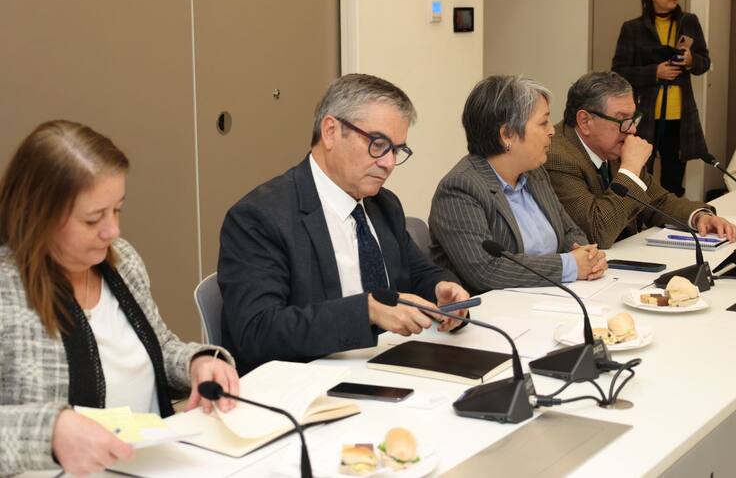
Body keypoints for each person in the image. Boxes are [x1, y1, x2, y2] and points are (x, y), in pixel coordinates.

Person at [0, 121, 239, 477]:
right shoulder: (7, 291)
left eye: (117, 210)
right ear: (38, 215)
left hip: (157, 465)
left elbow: (160, 346)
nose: (113, 231)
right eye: (93, 219)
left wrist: (197, 363)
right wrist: (51, 432)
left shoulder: (122, 261)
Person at [218, 73, 470, 374]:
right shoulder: (260, 217)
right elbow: (258, 331)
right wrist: (366, 311)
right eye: (378, 144)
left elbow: (417, 273)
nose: (389, 163)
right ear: (330, 132)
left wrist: (444, 288)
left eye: (396, 150)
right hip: (307, 381)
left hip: (386, 369)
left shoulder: (383, 205)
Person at [428, 75, 607, 294]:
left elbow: (569, 230)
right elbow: (487, 270)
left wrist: (587, 257)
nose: (552, 130)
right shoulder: (460, 189)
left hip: (551, 298)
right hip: (496, 309)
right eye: (543, 122)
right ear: (507, 135)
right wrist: (569, 266)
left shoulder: (535, 173)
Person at [545, 71, 736, 249]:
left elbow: (658, 202)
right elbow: (597, 233)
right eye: (622, 120)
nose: (632, 130)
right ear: (585, 121)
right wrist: (630, 170)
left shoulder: (613, 146)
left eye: (633, 119)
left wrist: (699, 217)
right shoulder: (557, 157)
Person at [611, 0, 710, 197]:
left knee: (673, 182)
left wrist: (691, 60)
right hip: (644, 115)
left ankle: (671, 217)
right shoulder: (633, 28)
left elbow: (704, 62)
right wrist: (655, 72)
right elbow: (619, 72)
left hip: (679, 116)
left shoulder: (689, 22)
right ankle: (635, 217)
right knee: (637, 177)